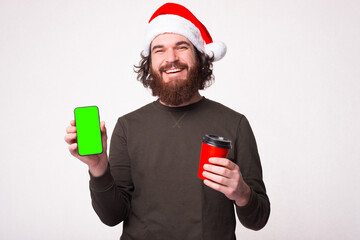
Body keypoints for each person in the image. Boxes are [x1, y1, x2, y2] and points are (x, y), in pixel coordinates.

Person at [64, 3, 270, 239]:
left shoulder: (235, 124)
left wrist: (243, 193)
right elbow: (112, 217)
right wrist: (98, 168)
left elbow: (258, 219)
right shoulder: (127, 127)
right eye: (159, 50)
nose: (170, 58)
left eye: (181, 47)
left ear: (200, 57)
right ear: (150, 64)